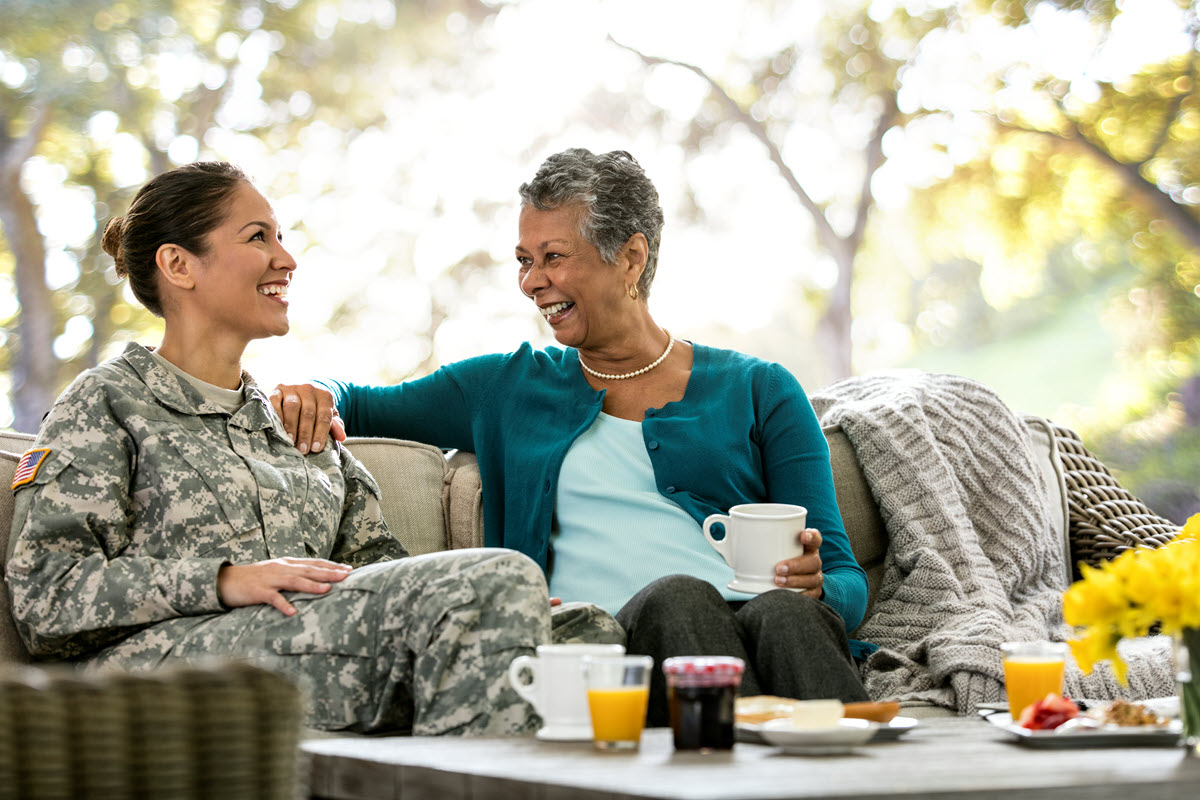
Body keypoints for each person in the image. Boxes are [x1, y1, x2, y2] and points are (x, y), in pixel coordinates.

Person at [273, 148, 872, 724]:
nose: (531, 282)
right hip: (608, 647)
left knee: (787, 616)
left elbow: (847, 581)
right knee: (679, 599)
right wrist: (311, 392)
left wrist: (816, 587)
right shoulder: (507, 386)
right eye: (523, 260)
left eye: (552, 256)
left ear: (631, 258)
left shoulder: (759, 389)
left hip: (758, 630)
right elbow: (357, 399)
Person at [5, 162, 551, 736]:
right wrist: (223, 580)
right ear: (178, 265)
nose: (286, 259)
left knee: (578, 634)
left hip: (313, 650)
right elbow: (46, 595)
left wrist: (488, 598)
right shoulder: (106, 403)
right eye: (257, 237)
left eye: (281, 237)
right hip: (161, 684)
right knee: (499, 588)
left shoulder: (302, 429)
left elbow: (378, 572)